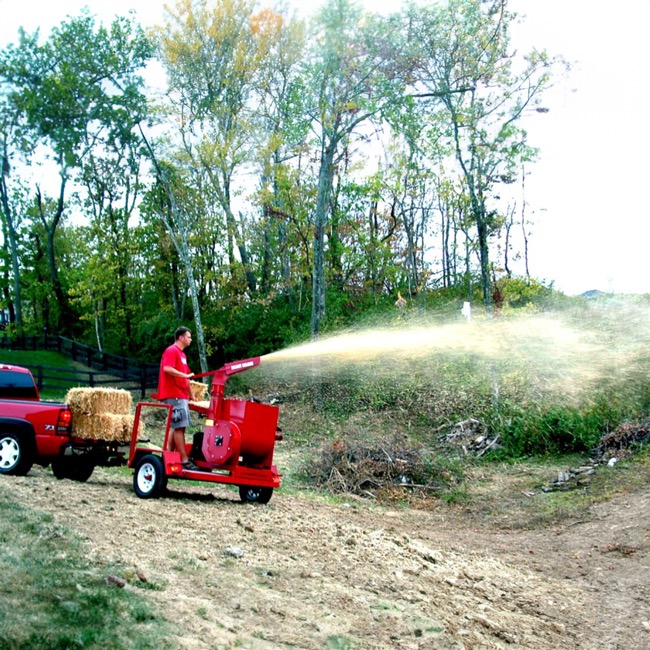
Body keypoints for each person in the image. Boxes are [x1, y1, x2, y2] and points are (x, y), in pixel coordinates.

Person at [155, 326, 200, 471]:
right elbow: (167, 369)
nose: (190, 339)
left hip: (181, 395)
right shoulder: (171, 351)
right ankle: (185, 459)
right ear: (181, 337)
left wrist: (191, 395)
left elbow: (186, 377)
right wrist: (185, 376)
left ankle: (168, 455)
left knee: (177, 426)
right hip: (173, 394)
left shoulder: (183, 355)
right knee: (180, 427)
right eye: (188, 336)